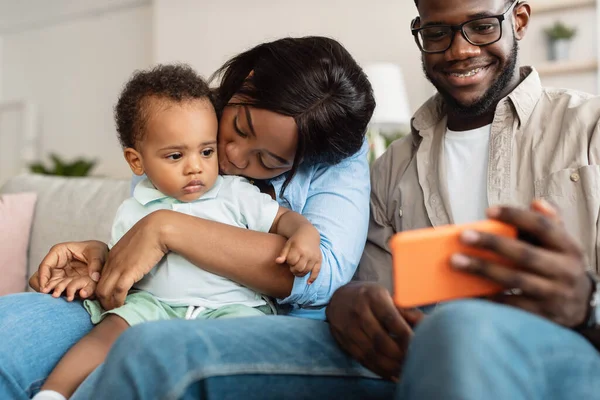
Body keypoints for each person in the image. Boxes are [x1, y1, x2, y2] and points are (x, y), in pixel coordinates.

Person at [55, 1, 600, 399]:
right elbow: (354, 285)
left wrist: (585, 304)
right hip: (405, 349)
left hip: (564, 338)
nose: (459, 48)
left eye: (483, 25)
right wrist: (347, 305)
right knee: (138, 346)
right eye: (437, 31)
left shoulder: (587, 129)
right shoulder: (395, 168)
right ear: (419, 33)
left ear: (520, 20)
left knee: (460, 329)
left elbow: (316, 271)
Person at [0, 36, 376, 400]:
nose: (234, 157)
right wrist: (103, 259)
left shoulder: (307, 162)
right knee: (10, 328)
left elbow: (319, 275)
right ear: (245, 83)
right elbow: (145, 229)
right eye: (237, 129)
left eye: (270, 161)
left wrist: (168, 228)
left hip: (247, 313)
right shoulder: (186, 118)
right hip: (152, 302)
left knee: (146, 355)